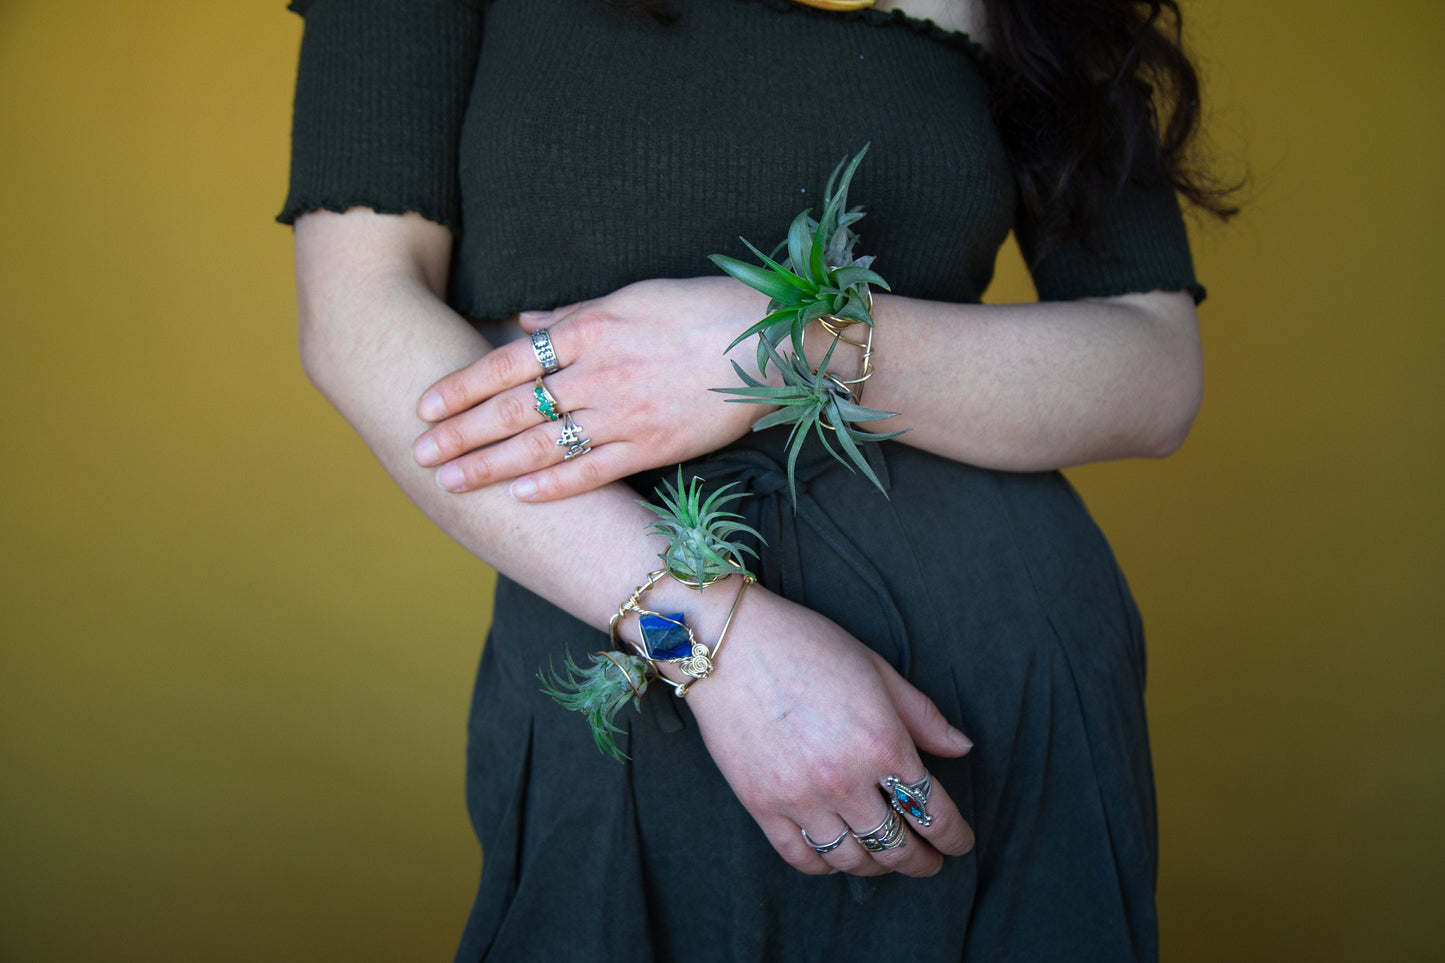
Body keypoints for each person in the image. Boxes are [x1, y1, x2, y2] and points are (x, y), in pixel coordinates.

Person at [280, 0, 1230, 959]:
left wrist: (781, 345)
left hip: (998, 693)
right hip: (645, 677)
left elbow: (1156, 374)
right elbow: (358, 317)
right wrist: (706, 639)